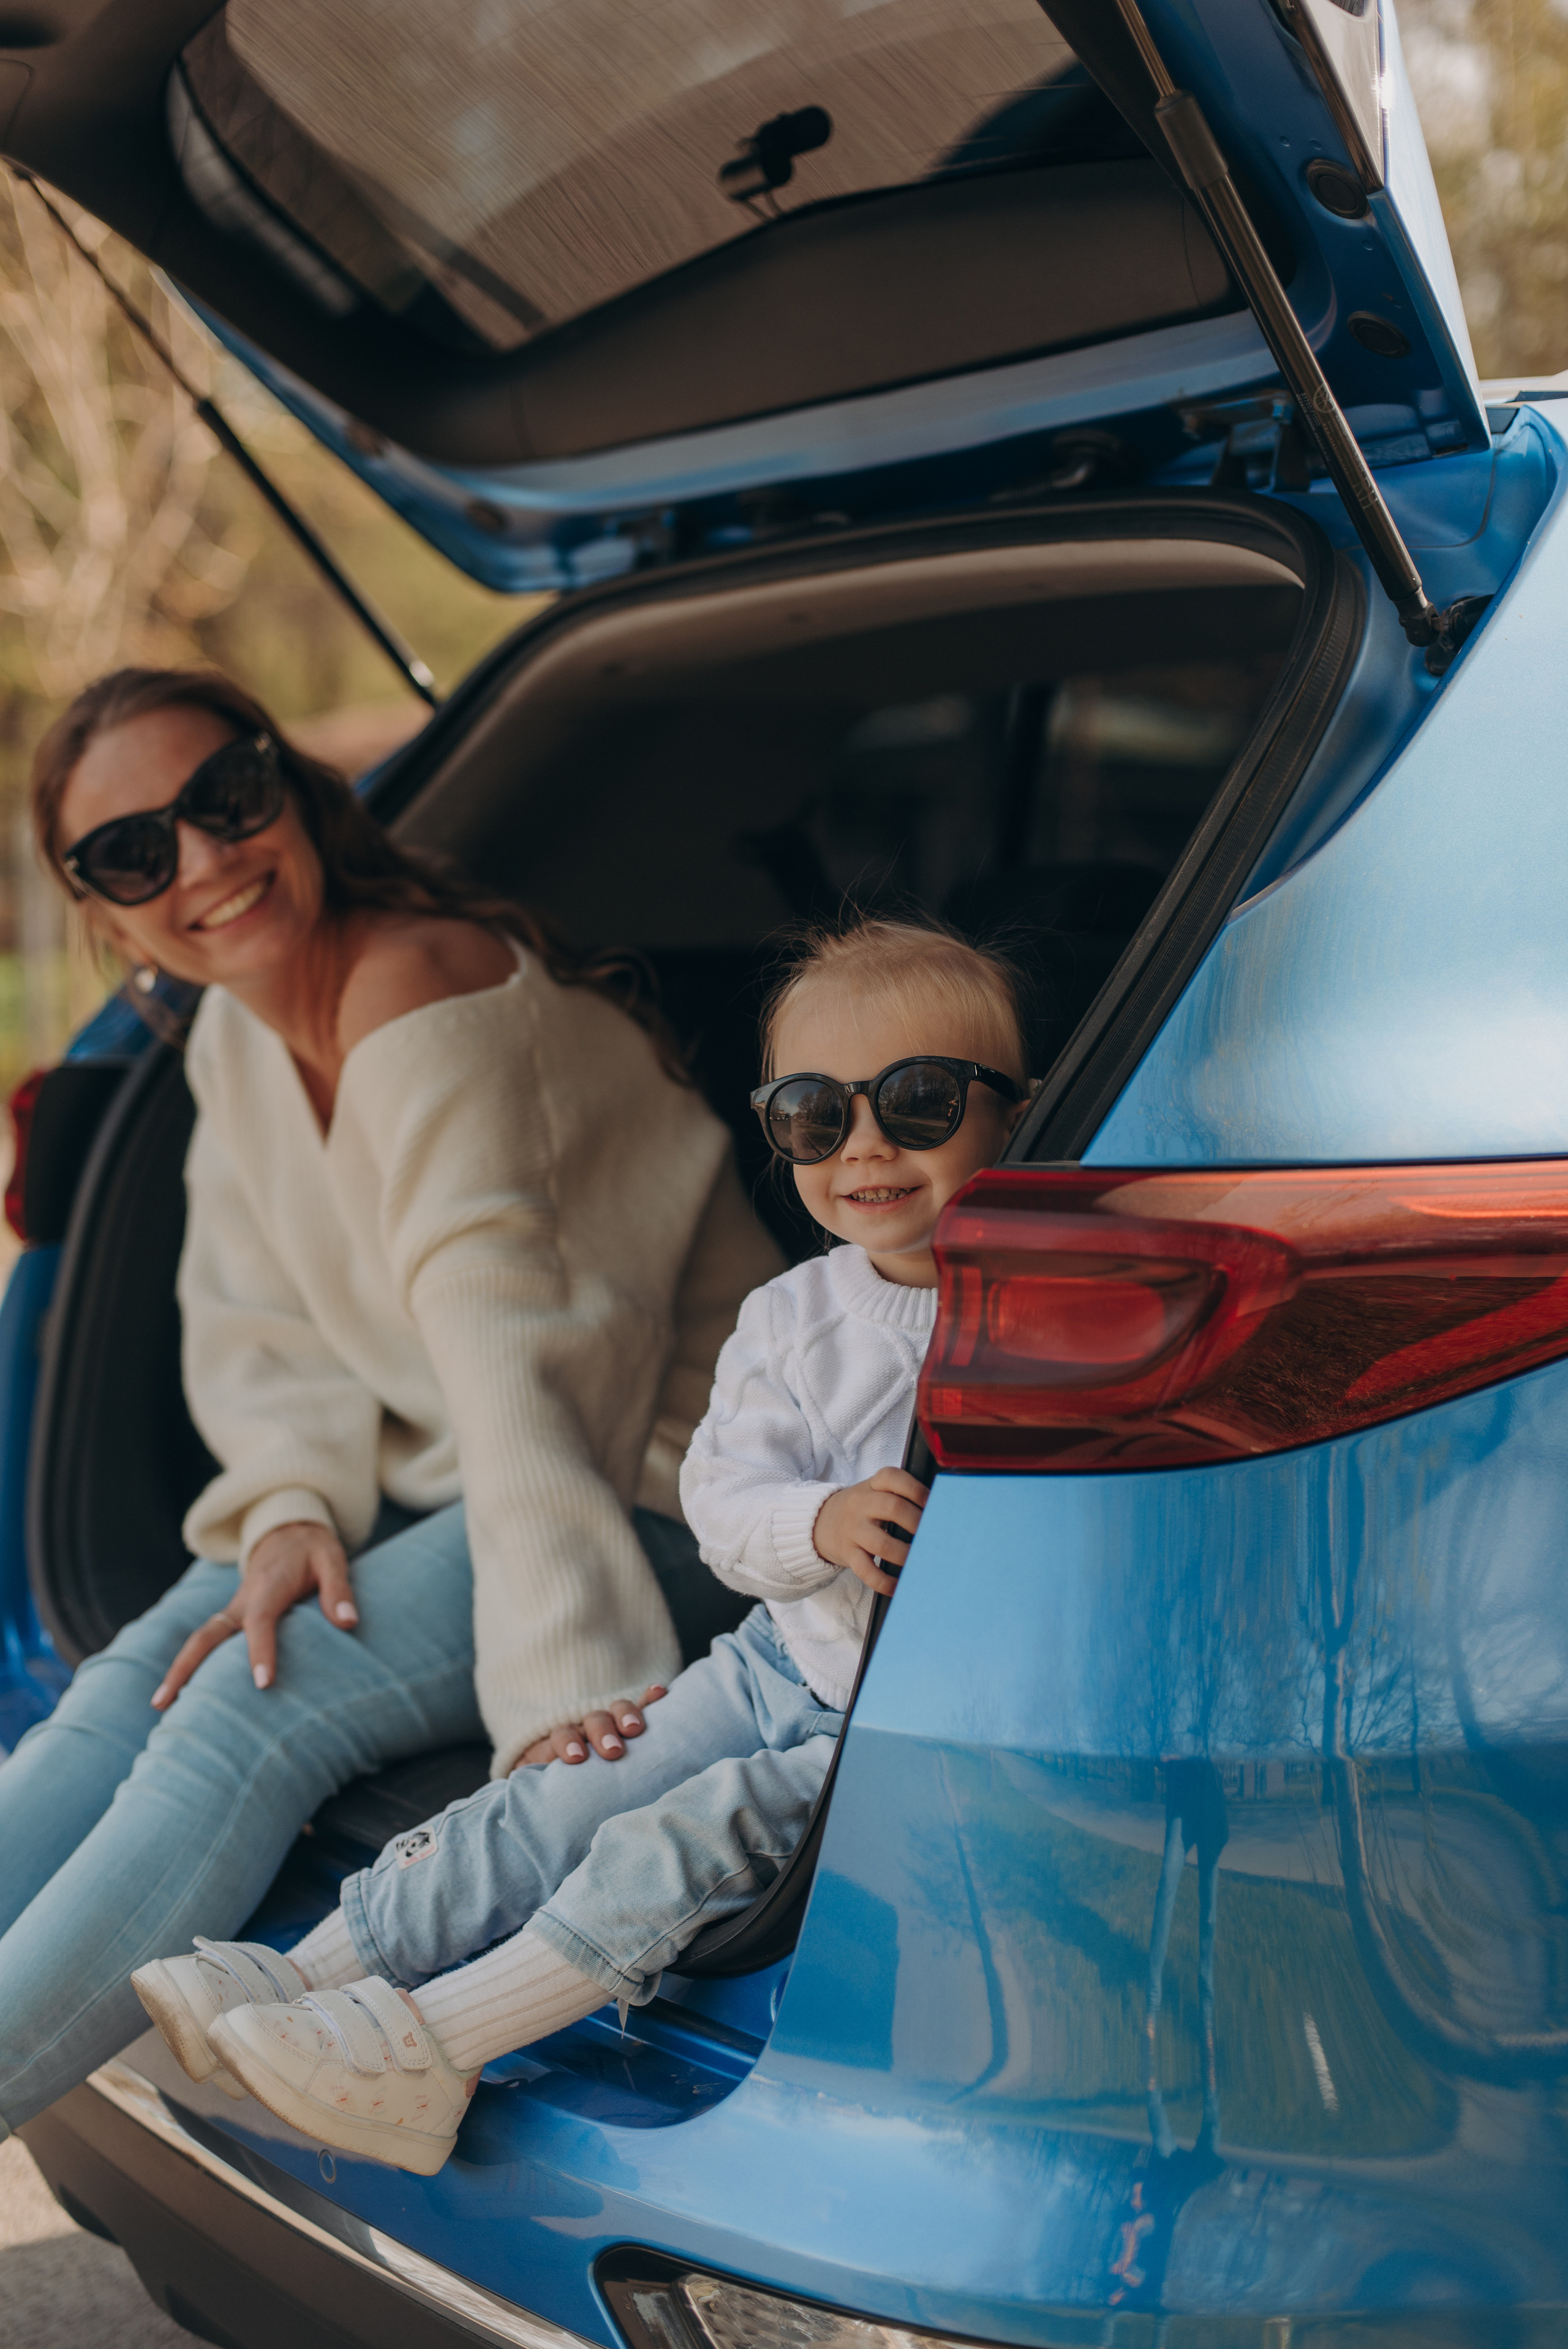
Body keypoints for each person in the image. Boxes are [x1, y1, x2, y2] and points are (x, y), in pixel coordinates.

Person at [0, 666, 780, 2141]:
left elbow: (524, 1376)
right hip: (460, 1473)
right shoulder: (238, 1029)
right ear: (103, 912)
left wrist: (568, 1714)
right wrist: (291, 1506)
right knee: (124, 1693)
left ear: (289, 791)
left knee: (241, 1712)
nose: (205, 862)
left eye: (223, 801)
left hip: (648, 1487)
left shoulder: (424, 993)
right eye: (132, 853)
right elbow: (257, 1322)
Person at [132, 915, 1033, 2175]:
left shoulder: (1050, 1315)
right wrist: (816, 1523)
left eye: (920, 1102)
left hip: (883, 1726)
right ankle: (306, 1973)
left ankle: (433, 2049)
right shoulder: (791, 1314)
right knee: (563, 1795)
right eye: (813, 1116)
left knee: (679, 1837)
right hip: (774, 1661)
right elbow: (721, 1504)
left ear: (1016, 1114)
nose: (866, 1146)